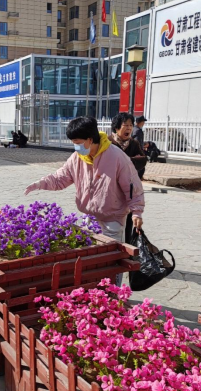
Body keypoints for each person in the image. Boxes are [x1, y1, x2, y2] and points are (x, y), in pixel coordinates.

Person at [24, 116, 145, 285]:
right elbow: (60, 178)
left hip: (112, 219)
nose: (76, 146)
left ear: (90, 139)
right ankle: (94, 294)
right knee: (91, 261)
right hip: (89, 217)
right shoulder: (77, 158)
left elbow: (132, 186)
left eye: (77, 142)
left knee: (111, 261)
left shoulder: (116, 157)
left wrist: (137, 211)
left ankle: (114, 295)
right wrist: (40, 184)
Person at [110, 113, 148, 243]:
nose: (129, 128)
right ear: (116, 127)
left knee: (128, 220)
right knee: (112, 223)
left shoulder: (134, 143)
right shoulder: (108, 143)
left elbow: (143, 159)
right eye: (125, 125)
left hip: (129, 188)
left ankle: (127, 249)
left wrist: (125, 162)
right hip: (111, 189)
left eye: (131, 125)